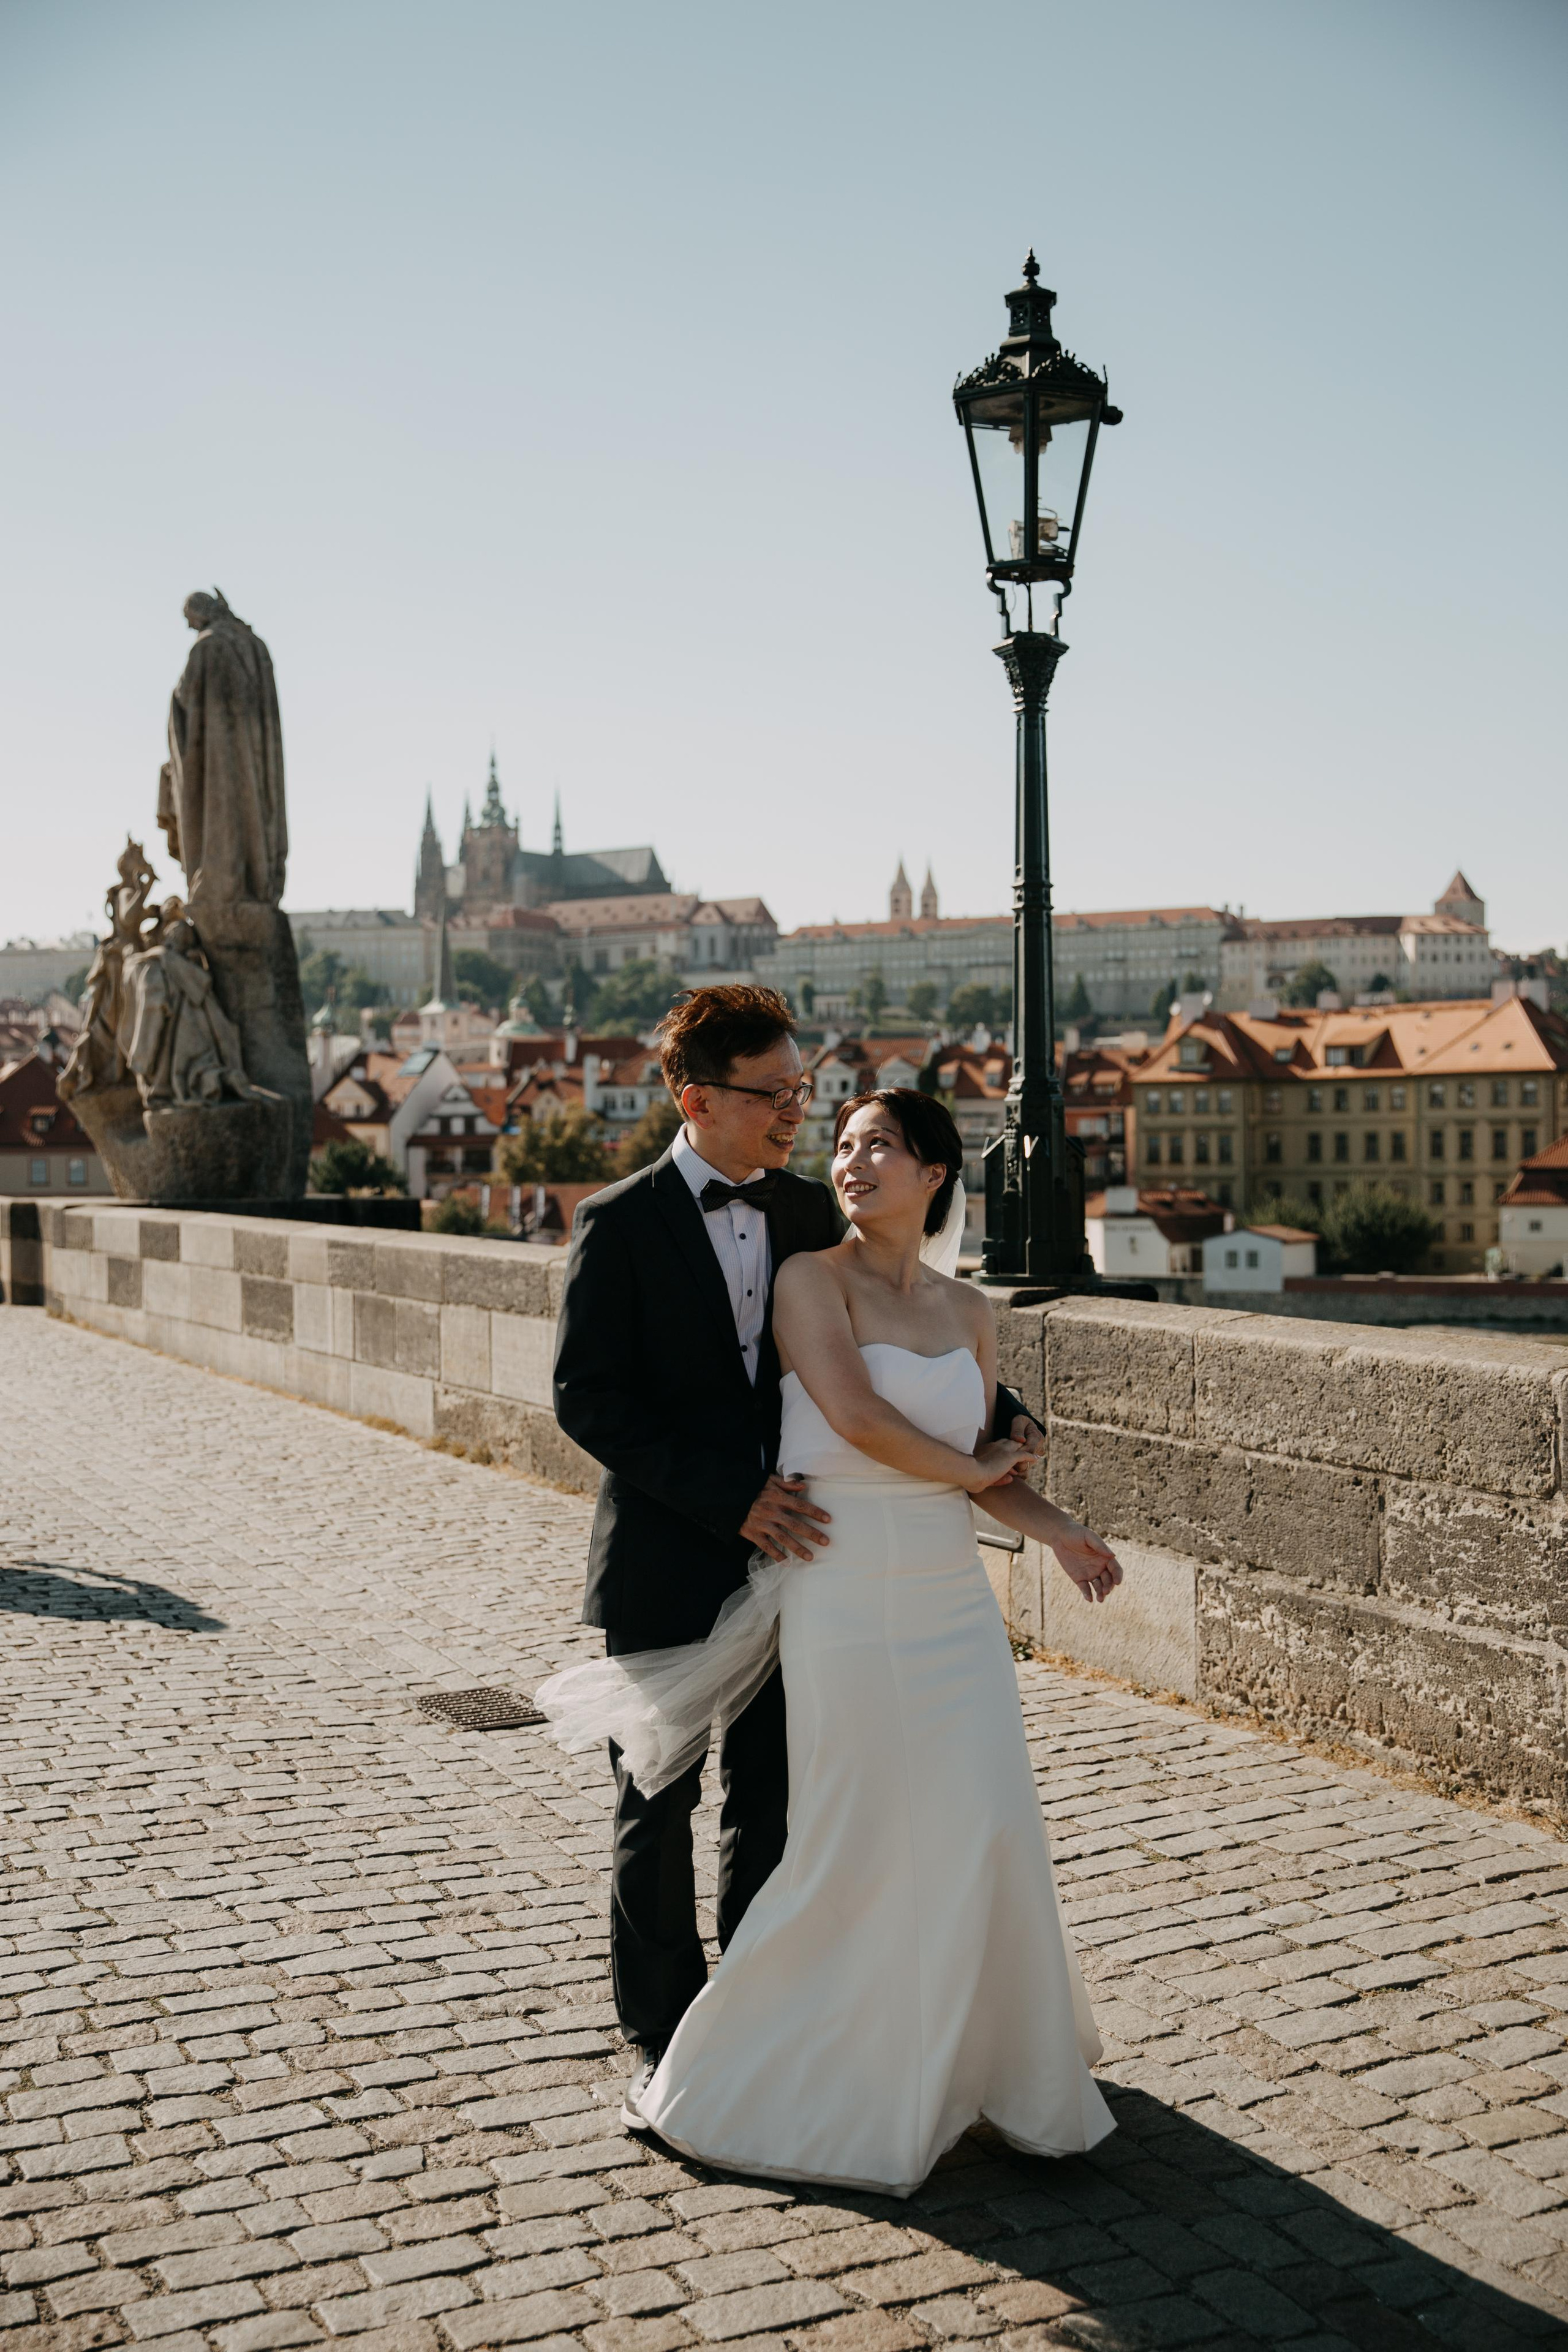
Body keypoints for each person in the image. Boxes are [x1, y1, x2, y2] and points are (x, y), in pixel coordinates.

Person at [551, 989, 1046, 2119]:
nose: (794, 1114)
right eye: (774, 1096)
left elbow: (885, 1323)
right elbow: (589, 1400)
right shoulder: (617, 1221)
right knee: (655, 1798)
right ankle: (668, 2032)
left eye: (801, 1093)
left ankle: (763, 2012)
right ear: (697, 1099)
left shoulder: (803, 1214)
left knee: (772, 1801)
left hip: (808, 1557)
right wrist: (734, 1500)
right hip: (675, 1550)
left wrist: (1004, 1409)